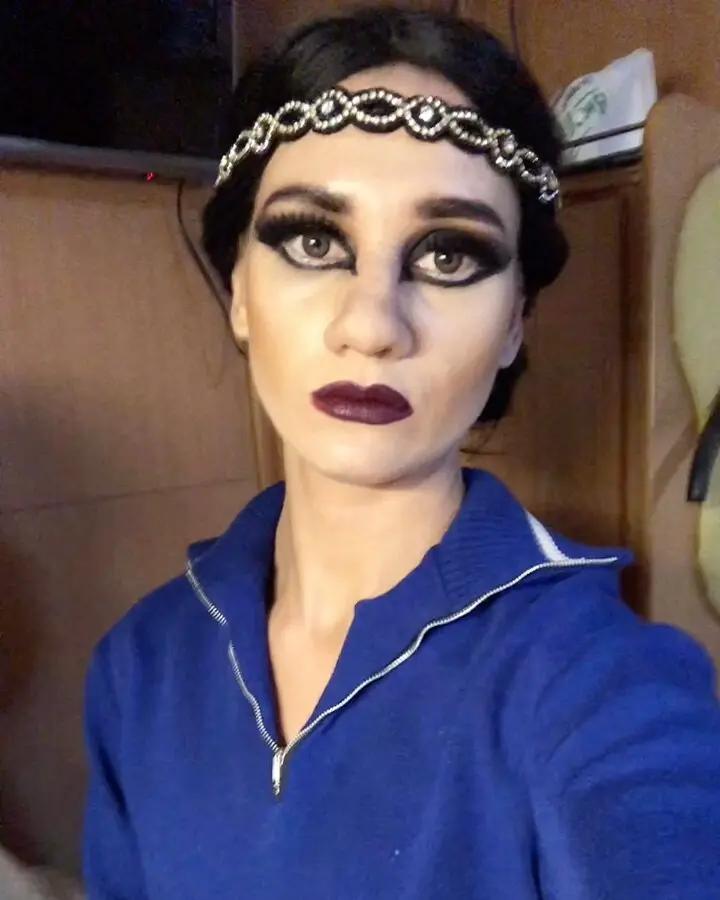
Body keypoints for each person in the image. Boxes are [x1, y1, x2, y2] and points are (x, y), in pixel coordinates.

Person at [83, 6, 720, 898]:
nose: (373, 324)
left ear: (515, 323)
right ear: (239, 292)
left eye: (448, 257)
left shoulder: (601, 683)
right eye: (314, 241)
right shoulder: (140, 663)